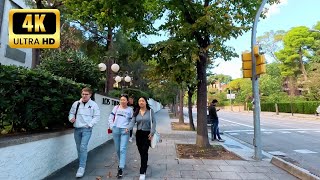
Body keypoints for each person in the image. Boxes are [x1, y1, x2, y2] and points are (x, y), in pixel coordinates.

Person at [68, 87, 100, 178]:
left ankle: (81, 167)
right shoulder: (76, 103)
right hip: (77, 129)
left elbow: (97, 117)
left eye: (86, 94)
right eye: (83, 94)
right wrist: (71, 118)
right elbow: (71, 113)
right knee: (79, 148)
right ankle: (81, 163)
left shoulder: (94, 105)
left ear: (90, 95)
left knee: (83, 147)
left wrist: (90, 125)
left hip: (87, 129)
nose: (84, 96)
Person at [127, 97, 156, 180]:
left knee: (144, 152)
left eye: (142, 101)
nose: (141, 102)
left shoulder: (150, 111)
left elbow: (154, 122)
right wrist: (127, 128)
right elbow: (132, 122)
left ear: (146, 102)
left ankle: (142, 172)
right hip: (139, 134)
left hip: (147, 134)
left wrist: (152, 133)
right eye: (139, 101)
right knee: (141, 152)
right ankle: (144, 163)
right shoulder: (136, 112)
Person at [108, 94, 133, 179]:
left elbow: (131, 121)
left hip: (124, 131)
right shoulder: (116, 108)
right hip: (116, 130)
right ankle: (122, 162)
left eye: (124, 100)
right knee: (117, 149)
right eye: (121, 99)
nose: (122, 101)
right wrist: (112, 126)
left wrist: (128, 128)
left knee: (122, 149)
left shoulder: (130, 110)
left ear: (127, 101)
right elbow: (110, 117)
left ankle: (120, 168)